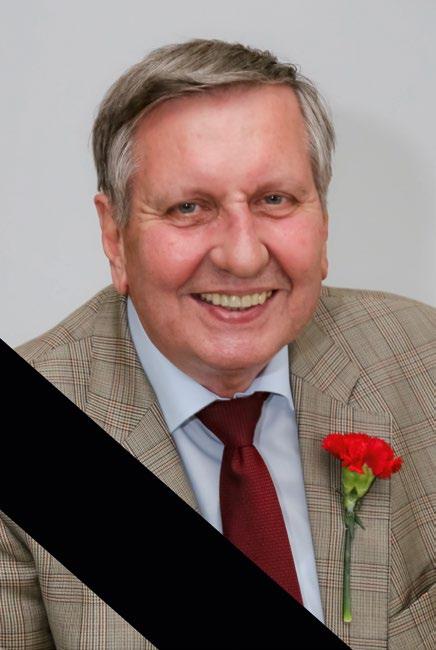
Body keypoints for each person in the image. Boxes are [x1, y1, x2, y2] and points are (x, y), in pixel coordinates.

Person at [2, 38, 434, 650]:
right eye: (189, 207)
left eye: (275, 200)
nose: (242, 255)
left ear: (323, 218)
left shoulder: (422, 357)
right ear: (114, 236)